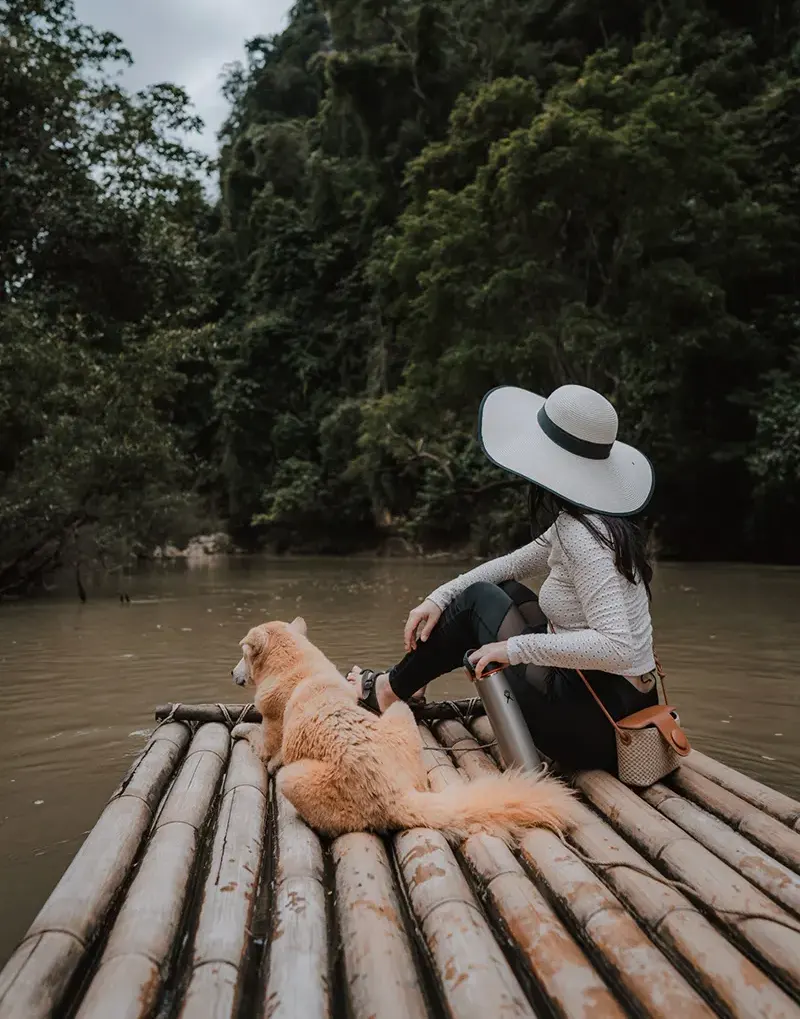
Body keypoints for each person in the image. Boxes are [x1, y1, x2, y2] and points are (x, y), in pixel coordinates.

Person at [347, 383, 659, 772]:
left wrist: (511, 650)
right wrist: (438, 597)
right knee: (498, 591)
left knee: (479, 599)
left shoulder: (583, 536)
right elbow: (508, 566)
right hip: (616, 704)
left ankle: (388, 690)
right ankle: (404, 683)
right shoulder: (596, 523)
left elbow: (618, 648)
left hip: (599, 729)